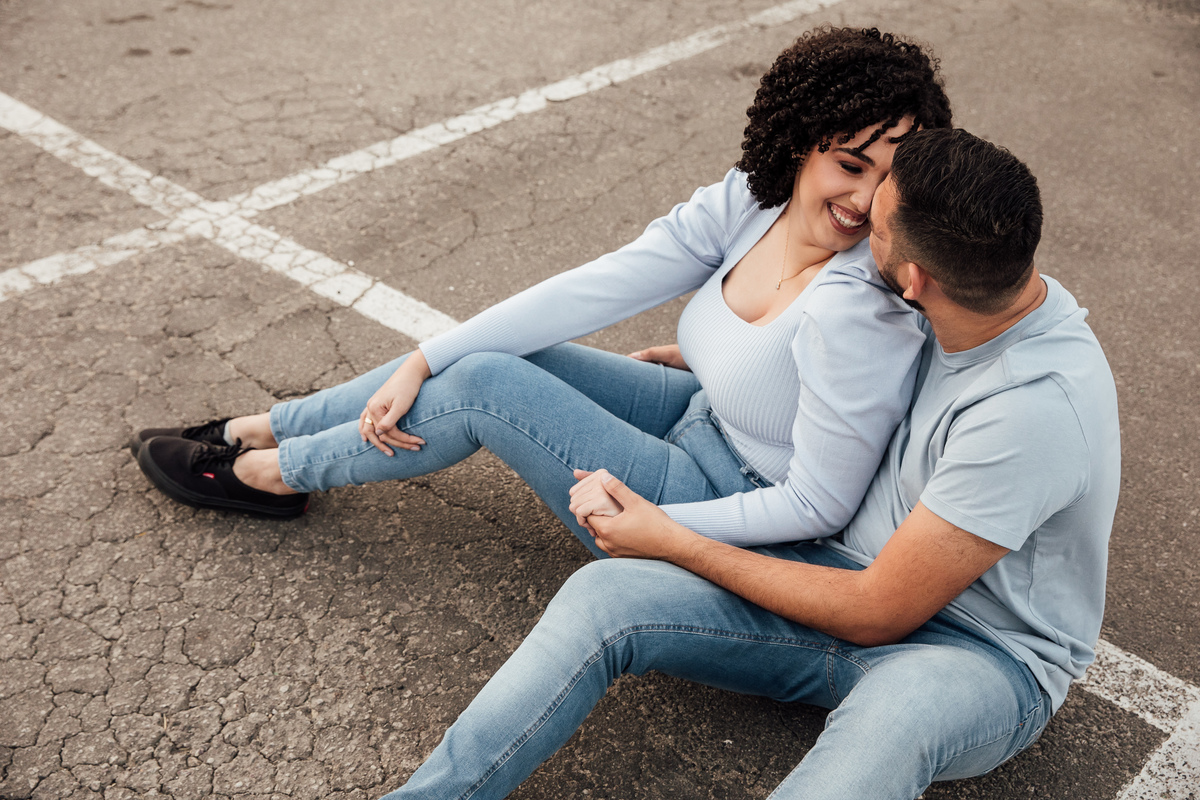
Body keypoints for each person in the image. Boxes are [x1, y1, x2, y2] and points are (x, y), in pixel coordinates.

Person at [376, 128, 1121, 799]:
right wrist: (740, 366)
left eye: (880, 229)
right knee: (602, 598)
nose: (860, 224)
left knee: (890, 723)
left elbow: (877, 613)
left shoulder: (1031, 411)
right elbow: (860, 384)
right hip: (836, 563)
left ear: (915, 279)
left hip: (977, 652)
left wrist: (672, 538)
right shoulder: (983, 291)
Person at [132, 27, 952, 559]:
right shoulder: (754, 201)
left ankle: (276, 476)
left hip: (724, 507)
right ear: (803, 140)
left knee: (489, 385)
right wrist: (422, 357)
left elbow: (820, 503)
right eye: (851, 164)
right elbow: (595, 287)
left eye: (892, 177)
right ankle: (257, 426)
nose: (865, 200)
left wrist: (664, 530)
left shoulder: (868, 296)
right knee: (490, 351)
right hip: (696, 420)